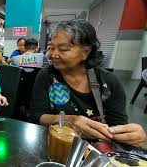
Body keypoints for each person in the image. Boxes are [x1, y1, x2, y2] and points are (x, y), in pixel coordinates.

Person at [30, 19, 146, 147]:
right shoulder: (47, 76)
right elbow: (37, 116)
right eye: (51, 48)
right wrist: (70, 120)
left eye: (63, 49)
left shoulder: (108, 82)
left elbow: (117, 125)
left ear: (85, 52)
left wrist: (130, 135)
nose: (53, 54)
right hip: (58, 145)